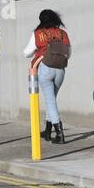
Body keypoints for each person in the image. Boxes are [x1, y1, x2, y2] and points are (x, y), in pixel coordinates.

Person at [23, 9, 71, 143]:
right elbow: (69, 53)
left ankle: (60, 134)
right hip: (61, 69)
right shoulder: (63, 33)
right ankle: (48, 131)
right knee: (52, 101)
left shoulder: (38, 34)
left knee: (50, 102)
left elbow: (26, 53)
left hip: (45, 68)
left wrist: (38, 52)